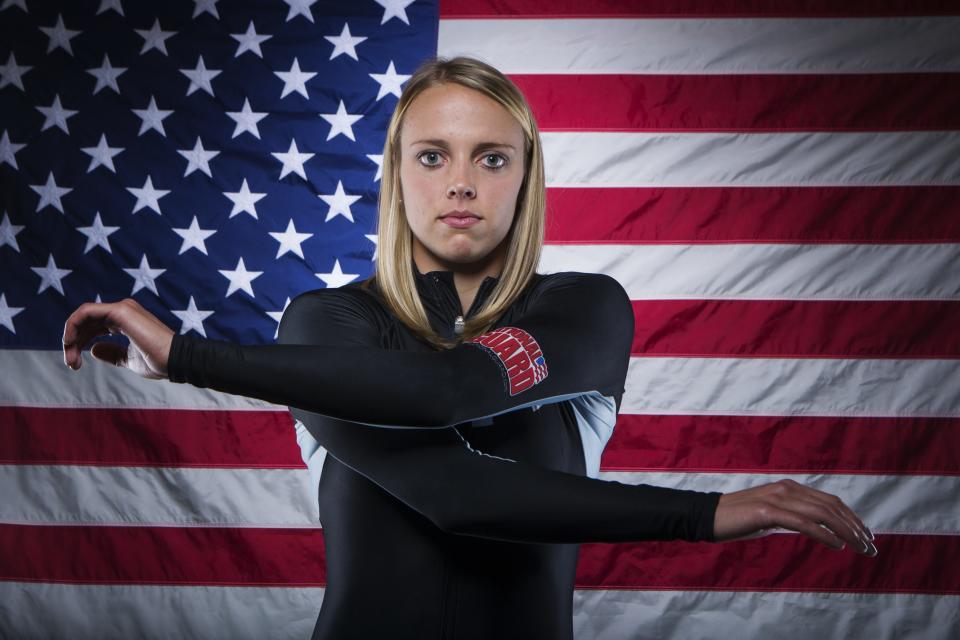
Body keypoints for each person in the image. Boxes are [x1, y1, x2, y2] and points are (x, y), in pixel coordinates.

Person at [62, 57, 877, 639]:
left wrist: (188, 356)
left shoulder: (585, 308)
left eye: (491, 158)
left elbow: (457, 387)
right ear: (397, 175)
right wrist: (704, 514)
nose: (461, 183)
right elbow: (458, 493)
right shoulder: (323, 325)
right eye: (433, 156)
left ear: (525, 177)